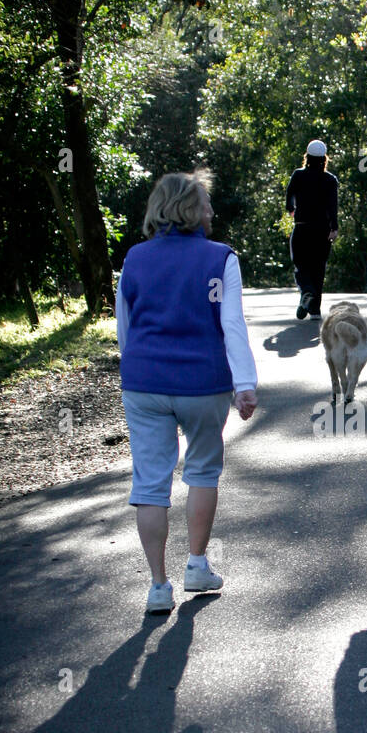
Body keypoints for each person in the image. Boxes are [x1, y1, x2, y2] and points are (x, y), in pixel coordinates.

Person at [116, 169, 258, 613]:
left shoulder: (134, 260)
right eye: (206, 203)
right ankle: (196, 564)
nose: (211, 211)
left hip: (144, 383)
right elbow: (231, 324)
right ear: (190, 209)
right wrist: (245, 384)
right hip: (203, 384)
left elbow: (125, 327)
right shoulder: (221, 258)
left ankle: (158, 586)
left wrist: (138, 367)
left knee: (151, 482)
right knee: (201, 471)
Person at [284, 139, 339, 320]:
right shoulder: (330, 180)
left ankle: (306, 291)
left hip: (302, 227)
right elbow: (333, 206)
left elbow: (289, 194)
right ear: (324, 159)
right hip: (322, 230)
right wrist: (334, 227)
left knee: (300, 264)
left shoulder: (298, 175)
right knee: (318, 268)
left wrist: (291, 209)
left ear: (307, 157)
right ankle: (315, 309)